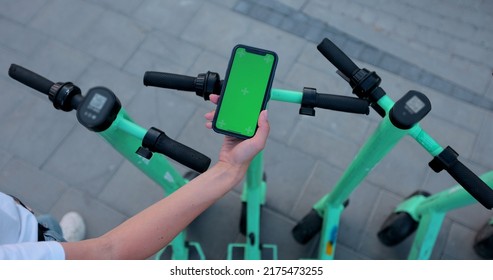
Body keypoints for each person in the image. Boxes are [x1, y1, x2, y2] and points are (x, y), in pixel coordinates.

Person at [0, 94, 270, 260]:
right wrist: (228, 169)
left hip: (25, 233)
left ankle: (59, 247)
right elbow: (109, 253)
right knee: (70, 251)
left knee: (45, 225)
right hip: (36, 254)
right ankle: (61, 253)